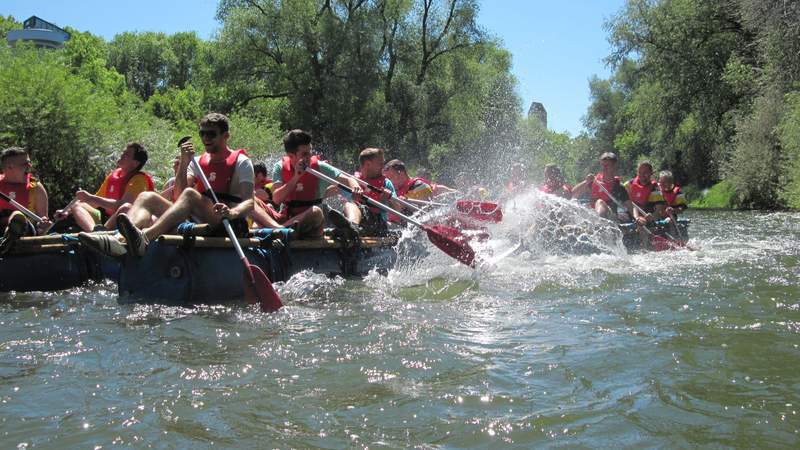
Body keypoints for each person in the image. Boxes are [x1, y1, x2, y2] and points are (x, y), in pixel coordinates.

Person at [79, 113, 256, 257]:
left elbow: (250, 202)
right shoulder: (197, 161)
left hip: (225, 222)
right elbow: (178, 196)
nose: (205, 138)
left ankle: (144, 238)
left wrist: (232, 212)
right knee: (146, 197)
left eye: (211, 134)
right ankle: (121, 239)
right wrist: (185, 164)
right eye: (202, 133)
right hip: (195, 218)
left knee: (190, 194)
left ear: (226, 136)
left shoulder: (241, 162)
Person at [270, 129, 362, 238]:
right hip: (291, 218)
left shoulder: (319, 166)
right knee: (259, 203)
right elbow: (276, 199)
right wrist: (296, 177)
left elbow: (347, 179)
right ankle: (281, 231)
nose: (309, 157)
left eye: (310, 152)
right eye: (304, 154)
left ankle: (351, 227)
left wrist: (355, 186)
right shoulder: (280, 167)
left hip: (317, 218)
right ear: (291, 156)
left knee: (346, 205)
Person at [59, 142, 154, 231]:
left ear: (135, 163)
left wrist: (90, 197)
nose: (122, 155)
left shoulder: (139, 180)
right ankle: (95, 233)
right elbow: (95, 203)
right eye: (123, 152)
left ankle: (101, 234)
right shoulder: (114, 176)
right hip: (108, 222)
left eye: (127, 154)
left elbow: (122, 205)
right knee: (77, 205)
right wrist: (67, 211)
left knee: (126, 208)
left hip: (129, 223)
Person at [332, 148, 399, 236]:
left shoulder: (386, 183)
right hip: (357, 220)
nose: (383, 167)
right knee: (347, 205)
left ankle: (351, 227)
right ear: (368, 164)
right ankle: (349, 228)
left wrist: (389, 198)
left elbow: (397, 209)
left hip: (377, 225)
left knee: (350, 205)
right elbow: (329, 191)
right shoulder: (352, 181)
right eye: (380, 164)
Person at [0, 147, 50, 253]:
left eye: (29, 162)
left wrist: (43, 226)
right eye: (24, 164)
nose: (30, 166)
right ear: (10, 167)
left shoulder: (36, 188)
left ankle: (8, 238)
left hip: (25, 233)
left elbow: (42, 227)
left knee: (17, 215)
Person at [571, 152, 634, 222]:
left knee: (600, 202)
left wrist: (636, 219)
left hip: (610, 218)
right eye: (603, 165)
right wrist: (586, 182)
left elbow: (629, 206)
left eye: (607, 165)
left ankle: (597, 223)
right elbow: (574, 193)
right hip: (592, 215)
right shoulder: (594, 182)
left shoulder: (619, 187)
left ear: (614, 166)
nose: (604, 168)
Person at [624, 161, 660, 226]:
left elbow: (659, 211)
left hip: (646, 217)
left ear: (651, 173)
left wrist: (653, 217)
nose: (642, 175)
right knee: (615, 219)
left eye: (645, 172)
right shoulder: (629, 185)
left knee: (642, 222)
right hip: (631, 215)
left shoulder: (655, 189)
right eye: (640, 172)